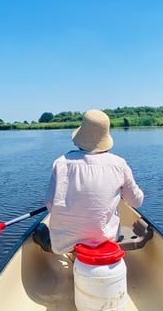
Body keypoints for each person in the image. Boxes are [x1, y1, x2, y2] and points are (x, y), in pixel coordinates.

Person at [40, 109, 144, 254]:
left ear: (81, 137)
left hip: (64, 244)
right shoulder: (119, 164)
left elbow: (51, 205)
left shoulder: (61, 163)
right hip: (106, 240)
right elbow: (136, 202)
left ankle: (73, 256)